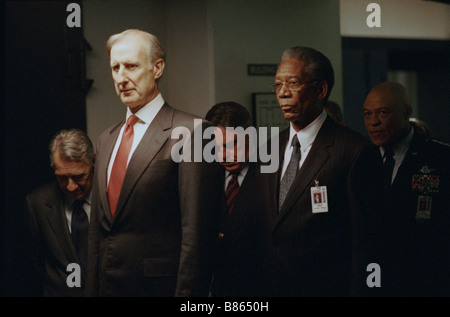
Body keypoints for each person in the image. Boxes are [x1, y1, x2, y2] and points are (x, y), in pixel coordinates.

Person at [86, 29, 223, 297]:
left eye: (131, 66)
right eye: (115, 68)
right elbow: (97, 235)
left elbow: (197, 236)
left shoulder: (193, 132)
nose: (121, 77)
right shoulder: (106, 140)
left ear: (157, 68)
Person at [261, 46, 383, 296]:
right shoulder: (270, 148)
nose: (283, 93)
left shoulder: (354, 151)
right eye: (277, 85)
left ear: (321, 90)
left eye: (293, 83)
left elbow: (366, 242)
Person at [363, 81, 450, 296]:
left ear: (407, 112)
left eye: (383, 112)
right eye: (367, 114)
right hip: (375, 282)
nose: (374, 122)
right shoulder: (361, 160)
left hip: (426, 281)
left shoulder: (441, 158)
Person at [205, 101, 266, 297]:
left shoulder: (271, 175)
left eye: (231, 145)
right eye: (217, 147)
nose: (224, 155)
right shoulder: (203, 178)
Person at [25, 129, 94, 296]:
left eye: (78, 176)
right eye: (62, 177)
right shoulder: (37, 203)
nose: (70, 186)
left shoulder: (114, 196)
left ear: (94, 162)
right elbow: (37, 261)